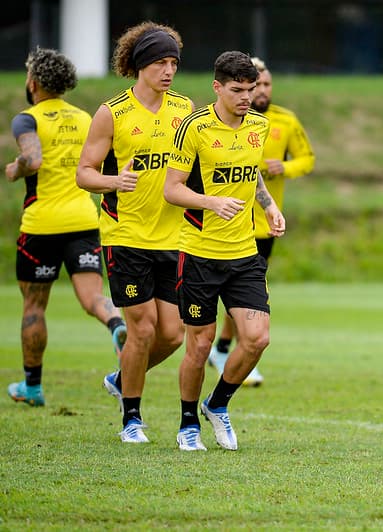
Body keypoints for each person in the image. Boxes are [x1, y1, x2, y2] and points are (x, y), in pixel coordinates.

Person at [76, 22, 193, 443]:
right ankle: (131, 419)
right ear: (141, 65)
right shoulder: (113, 112)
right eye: (160, 62)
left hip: (174, 236)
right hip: (125, 235)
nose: (168, 71)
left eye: (173, 63)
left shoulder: (184, 109)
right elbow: (84, 173)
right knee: (141, 329)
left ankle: (121, 376)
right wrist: (113, 183)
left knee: (173, 334)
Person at [163, 50, 286, 452]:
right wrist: (211, 201)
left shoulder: (259, 126)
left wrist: (268, 206)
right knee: (198, 345)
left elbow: (250, 177)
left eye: (251, 89)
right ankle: (187, 424)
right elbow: (172, 189)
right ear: (217, 87)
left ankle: (217, 405)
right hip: (199, 253)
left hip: (244, 252)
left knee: (257, 339)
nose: (246, 97)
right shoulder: (193, 128)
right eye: (237, 90)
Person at [5, 47, 126, 407]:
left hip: (42, 224)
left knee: (34, 304)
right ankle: (117, 326)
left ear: (34, 81)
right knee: (93, 298)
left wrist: (16, 169)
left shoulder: (27, 119)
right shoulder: (85, 118)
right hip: (84, 220)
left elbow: (33, 158)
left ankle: (32, 387)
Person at [207, 56, 314, 387]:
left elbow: (307, 159)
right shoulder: (219, 122)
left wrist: (286, 168)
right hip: (225, 223)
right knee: (244, 294)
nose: (260, 92)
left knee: (245, 294)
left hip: (264, 224)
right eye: (254, 86)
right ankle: (232, 351)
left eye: (264, 85)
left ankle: (226, 348)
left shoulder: (283, 120)